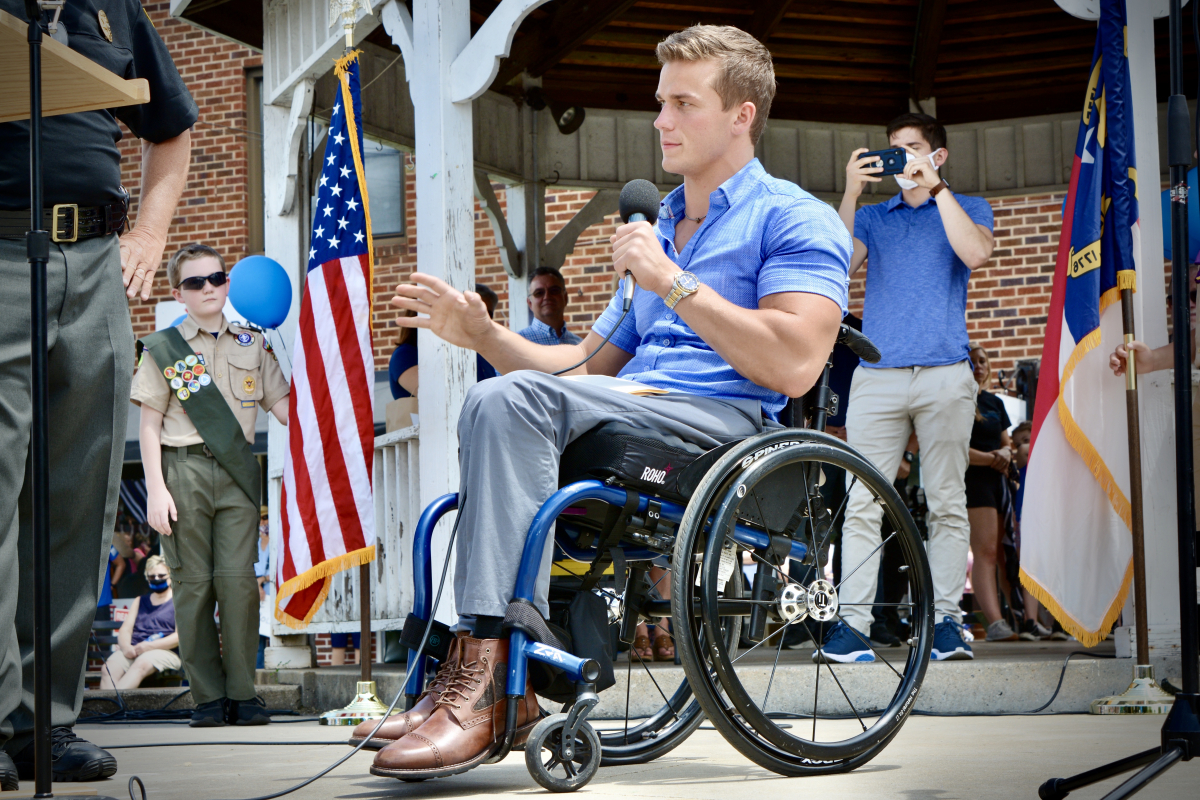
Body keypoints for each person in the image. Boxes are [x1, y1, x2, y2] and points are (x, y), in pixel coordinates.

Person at [362, 24, 850, 780]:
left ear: (741, 114)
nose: (661, 120)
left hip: (719, 428)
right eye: (661, 103)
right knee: (501, 396)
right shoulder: (658, 229)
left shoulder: (792, 217)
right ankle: (472, 668)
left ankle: (494, 676)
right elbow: (581, 363)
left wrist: (671, 283)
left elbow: (793, 363)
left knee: (515, 403)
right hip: (629, 403)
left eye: (683, 103)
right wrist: (484, 334)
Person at [0, 1, 195, 786]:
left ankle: (45, 725)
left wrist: (148, 236)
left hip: (95, 266)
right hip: (4, 253)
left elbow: (170, 129)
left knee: (77, 505)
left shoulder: (114, 7)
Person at [824, 112, 995, 664]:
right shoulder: (874, 217)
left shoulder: (965, 207)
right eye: (893, 150)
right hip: (878, 376)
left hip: (945, 373)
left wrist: (936, 188)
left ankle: (946, 622)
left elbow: (976, 254)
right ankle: (851, 627)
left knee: (947, 502)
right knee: (861, 504)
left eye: (912, 149)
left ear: (937, 155)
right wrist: (850, 193)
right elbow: (835, 268)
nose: (900, 160)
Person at [132, 244, 289, 728]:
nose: (209, 289)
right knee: (193, 588)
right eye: (196, 283)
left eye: (216, 279)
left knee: (240, 586)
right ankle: (206, 699)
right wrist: (155, 489)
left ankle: (243, 695)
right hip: (182, 473)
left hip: (238, 472)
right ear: (179, 294)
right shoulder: (165, 347)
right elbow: (149, 425)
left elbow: (286, 410)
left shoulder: (253, 343)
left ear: (228, 284)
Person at [960, 346, 1018, 642]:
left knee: (999, 553)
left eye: (983, 361)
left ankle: (1015, 617)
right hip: (974, 481)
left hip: (998, 483)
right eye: (973, 361)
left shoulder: (995, 401)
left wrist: (1005, 453)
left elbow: (1008, 442)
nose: (978, 366)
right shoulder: (959, 400)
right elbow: (956, 448)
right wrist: (994, 457)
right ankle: (994, 623)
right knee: (983, 552)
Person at [389, 283, 499, 398]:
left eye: (487, 314)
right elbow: (436, 396)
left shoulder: (480, 352)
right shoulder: (405, 355)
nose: (480, 319)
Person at [99, 556, 180, 690]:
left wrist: (149, 646)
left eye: (161, 575)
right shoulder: (140, 600)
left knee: (141, 664)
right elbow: (126, 630)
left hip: (165, 651)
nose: (156, 578)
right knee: (108, 669)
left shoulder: (178, 601)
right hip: (135, 649)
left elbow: (178, 636)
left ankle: (115, 706)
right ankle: (112, 708)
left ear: (170, 576)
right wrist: (126, 648)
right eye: (152, 576)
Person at [518, 266, 583, 345]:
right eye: (539, 293)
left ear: (565, 298)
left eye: (554, 290)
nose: (547, 297)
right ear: (530, 303)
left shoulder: (579, 345)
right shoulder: (518, 344)